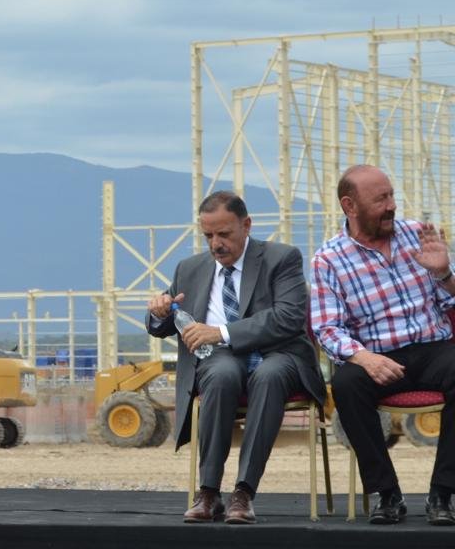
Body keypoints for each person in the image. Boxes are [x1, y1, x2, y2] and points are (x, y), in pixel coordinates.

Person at [147, 191, 324, 524]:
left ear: (246, 225)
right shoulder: (190, 268)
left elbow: (288, 318)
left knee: (269, 376)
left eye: (224, 234)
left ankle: (244, 491)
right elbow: (167, 322)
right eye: (209, 236)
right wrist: (159, 312)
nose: (216, 244)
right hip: (221, 359)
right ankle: (209, 492)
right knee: (221, 374)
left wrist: (221, 332)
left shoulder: (282, 258)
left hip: (280, 353)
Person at [311, 164, 455, 526]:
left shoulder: (419, 236)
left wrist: (444, 273)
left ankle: (443, 493)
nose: (391, 205)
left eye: (391, 195)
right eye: (380, 199)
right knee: (346, 384)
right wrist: (364, 358)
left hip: (434, 348)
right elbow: (327, 328)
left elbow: (451, 300)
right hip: (376, 355)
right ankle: (386, 494)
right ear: (350, 206)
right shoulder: (329, 259)